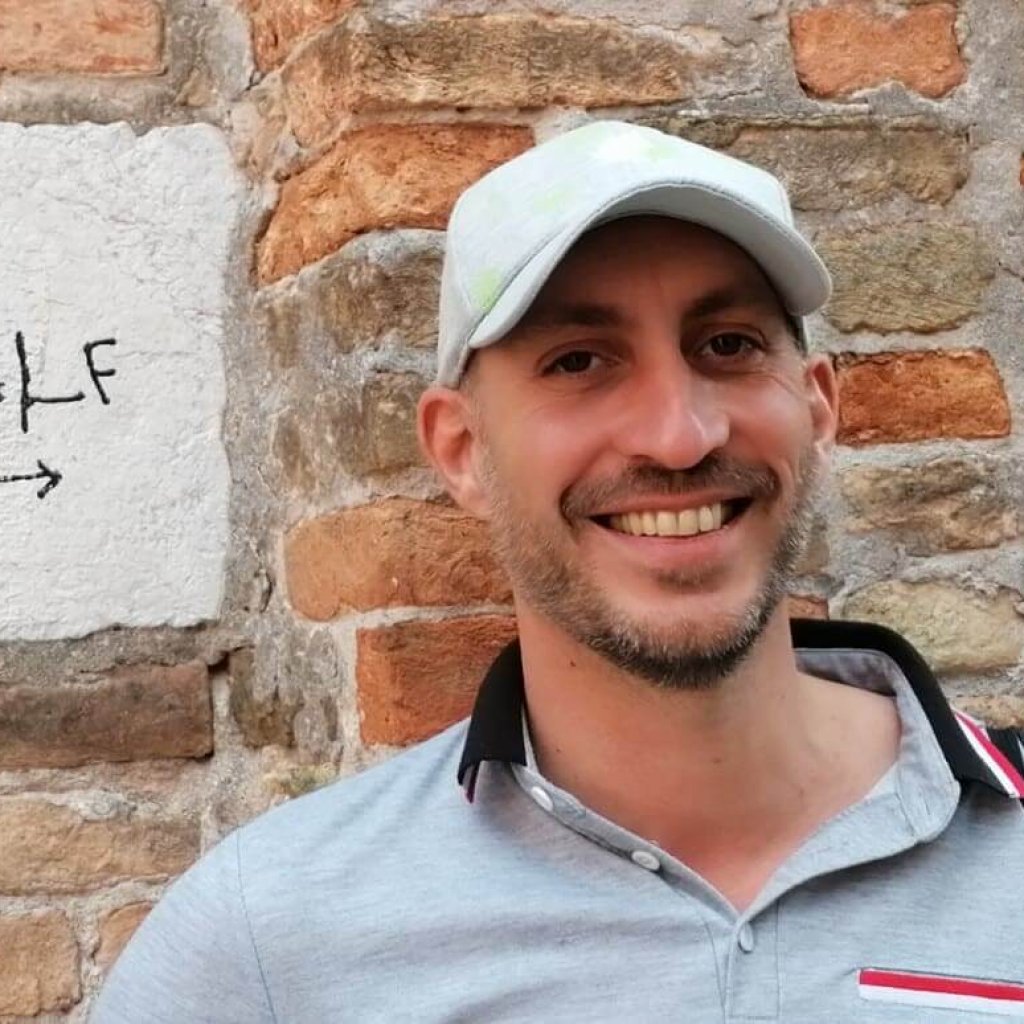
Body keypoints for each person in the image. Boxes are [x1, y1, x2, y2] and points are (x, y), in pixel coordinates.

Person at [93, 120, 1024, 1023]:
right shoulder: (270, 942)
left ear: (816, 408)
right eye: (579, 361)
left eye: (728, 345)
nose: (678, 435)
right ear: (462, 450)